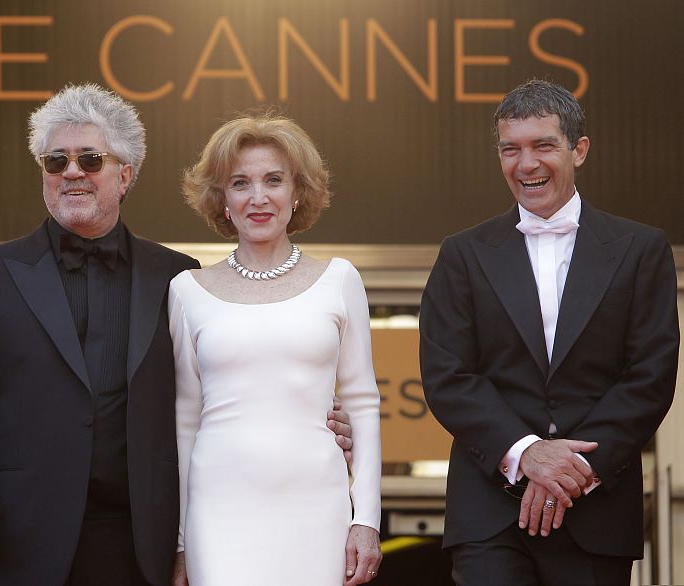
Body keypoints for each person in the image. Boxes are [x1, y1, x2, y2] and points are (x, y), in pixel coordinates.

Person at [0, 84, 353, 586]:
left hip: (138, 544)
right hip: (16, 536)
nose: (71, 172)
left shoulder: (178, 277)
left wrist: (311, 422)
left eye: (90, 159)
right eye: (55, 161)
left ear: (125, 175)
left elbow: (217, 393)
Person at [419, 78, 679, 586]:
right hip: (489, 512)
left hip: (596, 510)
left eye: (543, 145)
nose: (526, 164)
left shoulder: (641, 249)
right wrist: (527, 454)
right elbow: (447, 373)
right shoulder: (462, 254)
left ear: (579, 150)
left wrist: (571, 472)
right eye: (510, 149)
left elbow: (650, 374)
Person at [169, 112, 383, 586]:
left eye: (274, 180)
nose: (258, 197)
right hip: (218, 509)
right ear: (222, 199)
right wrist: (182, 539)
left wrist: (366, 517)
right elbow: (185, 418)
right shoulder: (187, 290)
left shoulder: (340, 280)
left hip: (318, 506)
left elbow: (362, 404)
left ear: (298, 191)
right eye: (240, 183)